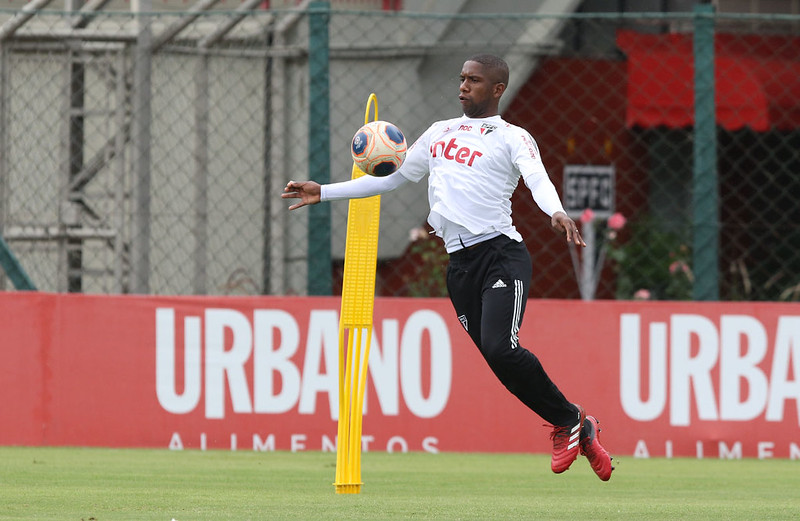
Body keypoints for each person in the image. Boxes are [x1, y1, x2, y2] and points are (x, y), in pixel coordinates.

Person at [282, 53, 613, 481]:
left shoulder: (512, 136)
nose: (463, 86)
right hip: (459, 266)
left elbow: (536, 176)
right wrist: (323, 191)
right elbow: (393, 177)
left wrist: (557, 210)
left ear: (497, 89)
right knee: (499, 361)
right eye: (461, 78)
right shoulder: (440, 133)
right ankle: (576, 424)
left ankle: (567, 424)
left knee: (501, 348)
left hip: (500, 255)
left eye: (474, 80)